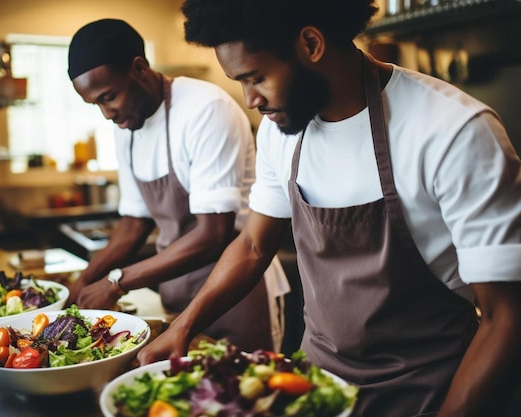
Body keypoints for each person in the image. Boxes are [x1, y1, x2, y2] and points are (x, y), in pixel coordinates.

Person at [137, 1, 521, 416]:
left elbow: (505, 318)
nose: (250, 100)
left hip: (426, 392)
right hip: (314, 388)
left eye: (256, 77)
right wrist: (182, 328)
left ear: (311, 43)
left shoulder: (453, 132)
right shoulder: (279, 132)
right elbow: (252, 245)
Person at [65, 18, 291, 353]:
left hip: (237, 297)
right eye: (96, 104)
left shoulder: (205, 109)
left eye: (108, 97)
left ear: (139, 68)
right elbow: (134, 224)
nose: (106, 113)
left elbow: (212, 235)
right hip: (176, 296)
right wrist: (80, 283)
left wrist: (116, 282)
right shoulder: (127, 127)